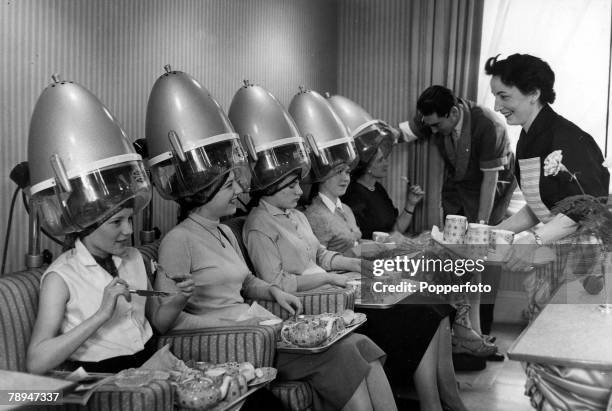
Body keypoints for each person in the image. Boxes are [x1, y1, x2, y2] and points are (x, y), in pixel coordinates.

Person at [158, 170, 397, 411]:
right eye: (229, 186)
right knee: (342, 354)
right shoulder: (178, 240)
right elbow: (167, 321)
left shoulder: (223, 231)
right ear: (204, 193)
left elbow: (247, 281)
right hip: (235, 341)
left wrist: (273, 292)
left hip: (258, 329)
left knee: (356, 342)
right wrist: (240, 326)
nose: (239, 191)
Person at [485, 53, 610, 316]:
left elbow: (585, 208)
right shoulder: (527, 137)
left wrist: (534, 239)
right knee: (537, 320)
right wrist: (496, 231)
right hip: (558, 248)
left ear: (533, 93)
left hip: (586, 255)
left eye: (504, 96)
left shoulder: (567, 137)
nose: (496, 106)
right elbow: (539, 204)